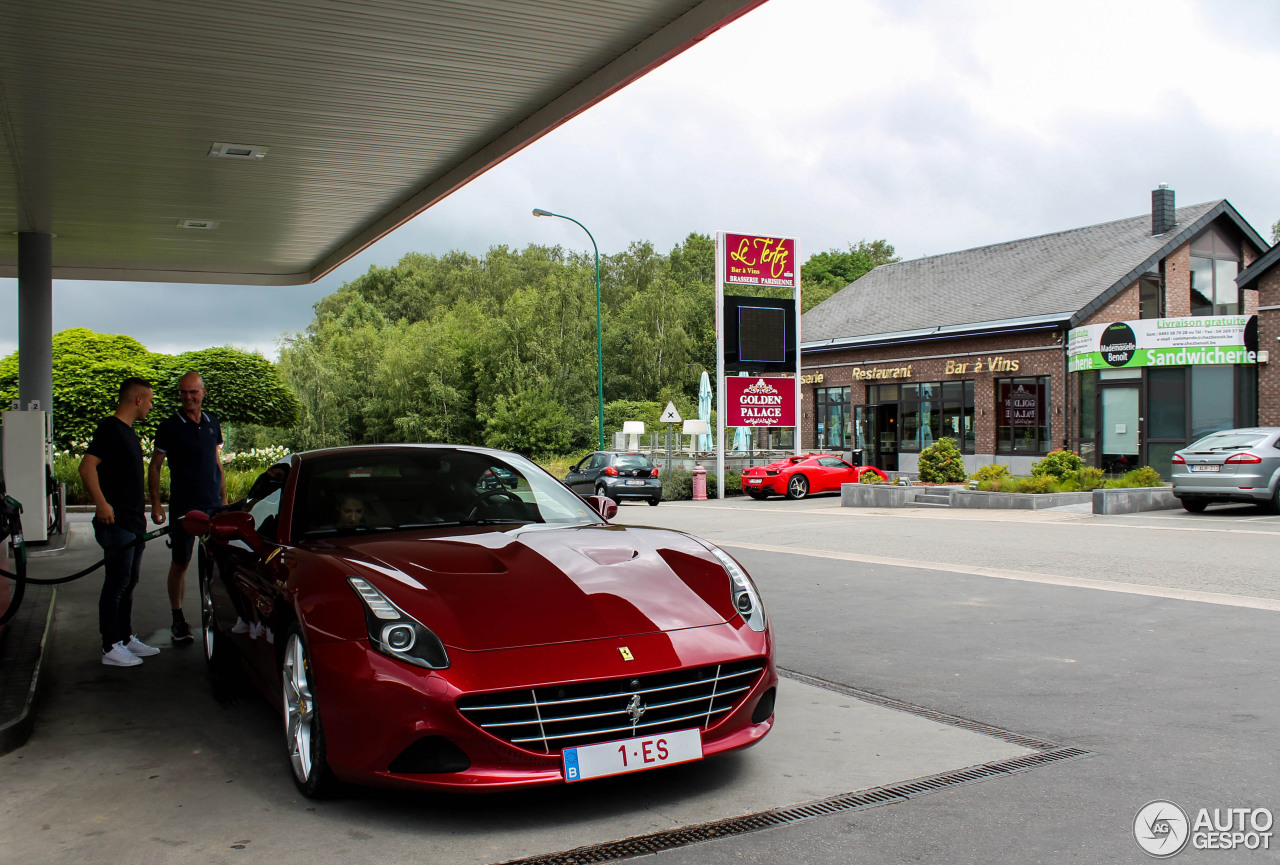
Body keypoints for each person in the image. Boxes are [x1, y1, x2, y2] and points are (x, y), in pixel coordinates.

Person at [79, 377, 161, 667]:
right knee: (116, 583)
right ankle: (110, 646)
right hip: (117, 524)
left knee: (129, 581)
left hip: (132, 522)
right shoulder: (110, 429)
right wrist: (102, 504)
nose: (151, 406)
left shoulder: (127, 432)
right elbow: (86, 466)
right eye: (149, 400)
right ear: (138, 400)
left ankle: (124, 638)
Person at [148, 371, 226, 645]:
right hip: (183, 506)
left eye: (193, 392)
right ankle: (178, 619)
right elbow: (155, 466)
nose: (188, 397)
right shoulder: (169, 426)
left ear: (203, 392)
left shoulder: (212, 423)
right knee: (180, 562)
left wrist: (224, 501)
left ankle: (220, 615)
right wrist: (156, 503)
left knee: (217, 563)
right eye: (183, 392)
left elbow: (216, 463)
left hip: (213, 506)